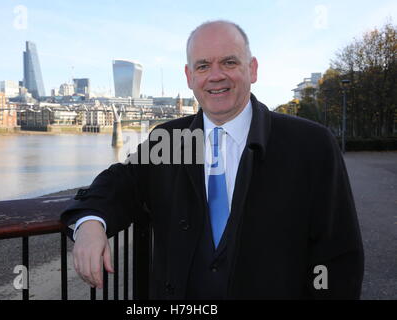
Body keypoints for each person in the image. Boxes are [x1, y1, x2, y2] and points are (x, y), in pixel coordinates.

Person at [61, 20, 364, 299]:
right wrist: (90, 224)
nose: (216, 75)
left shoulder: (310, 144)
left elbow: (338, 259)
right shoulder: (169, 140)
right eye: (203, 66)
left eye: (229, 62)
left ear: (253, 69)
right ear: (190, 77)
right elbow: (117, 184)